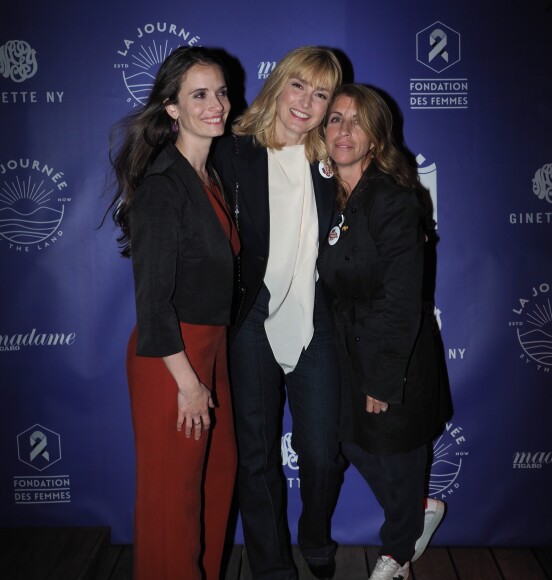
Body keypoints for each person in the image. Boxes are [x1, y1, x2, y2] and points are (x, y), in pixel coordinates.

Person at [212, 46, 343, 580]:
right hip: (249, 317)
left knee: (322, 452)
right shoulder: (231, 150)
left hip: (316, 317)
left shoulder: (332, 158)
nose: (306, 102)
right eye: (299, 86)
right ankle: (270, 566)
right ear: (278, 84)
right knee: (257, 452)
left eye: (321, 94)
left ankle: (315, 535)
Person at [108, 46, 239, 580]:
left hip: (213, 354)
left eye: (222, 92)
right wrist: (188, 384)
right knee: (171, 503)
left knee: (215, 482)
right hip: (173, 363)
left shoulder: (209, 178)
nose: (218, 105)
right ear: (172, 108)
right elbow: (153, 303)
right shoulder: (164, 187)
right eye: (200, 95)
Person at [317, 84, 453, 580]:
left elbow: (401, 302)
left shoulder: (393, 199)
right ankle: (417, 511)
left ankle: (397, 552)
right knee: (346, 441)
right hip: (345, 351)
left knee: (396, 452)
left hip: (394, 352)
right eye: (335, 119)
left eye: (357, 121)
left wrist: (382, 379)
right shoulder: (328, 198)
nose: (344, 130)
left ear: (376, 137)